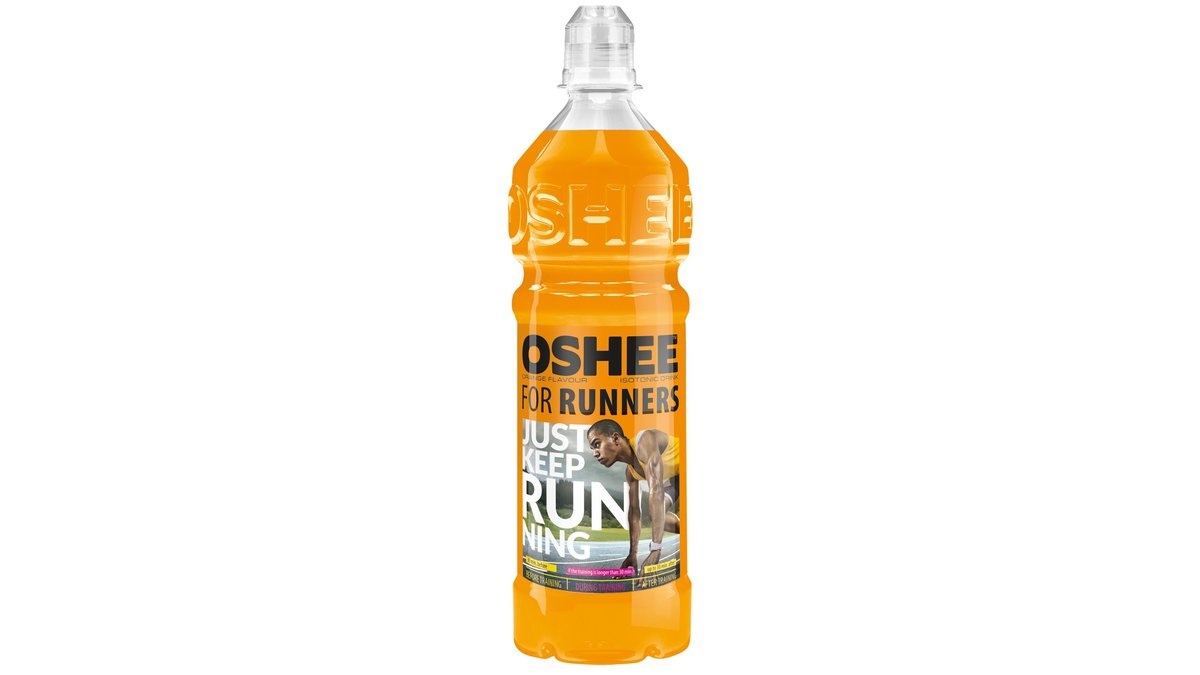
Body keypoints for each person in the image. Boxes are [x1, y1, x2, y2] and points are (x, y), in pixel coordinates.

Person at [586, 419, 680, 573]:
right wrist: (632, 553)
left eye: (597, 444)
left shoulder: (644, 441)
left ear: (615, 438)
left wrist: (655, 549)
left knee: (656, 508)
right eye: (592, 448)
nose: (594, 453)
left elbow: (656, 489)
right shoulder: (631, 473)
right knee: (656, 516)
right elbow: (634, 512)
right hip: (676, 479)